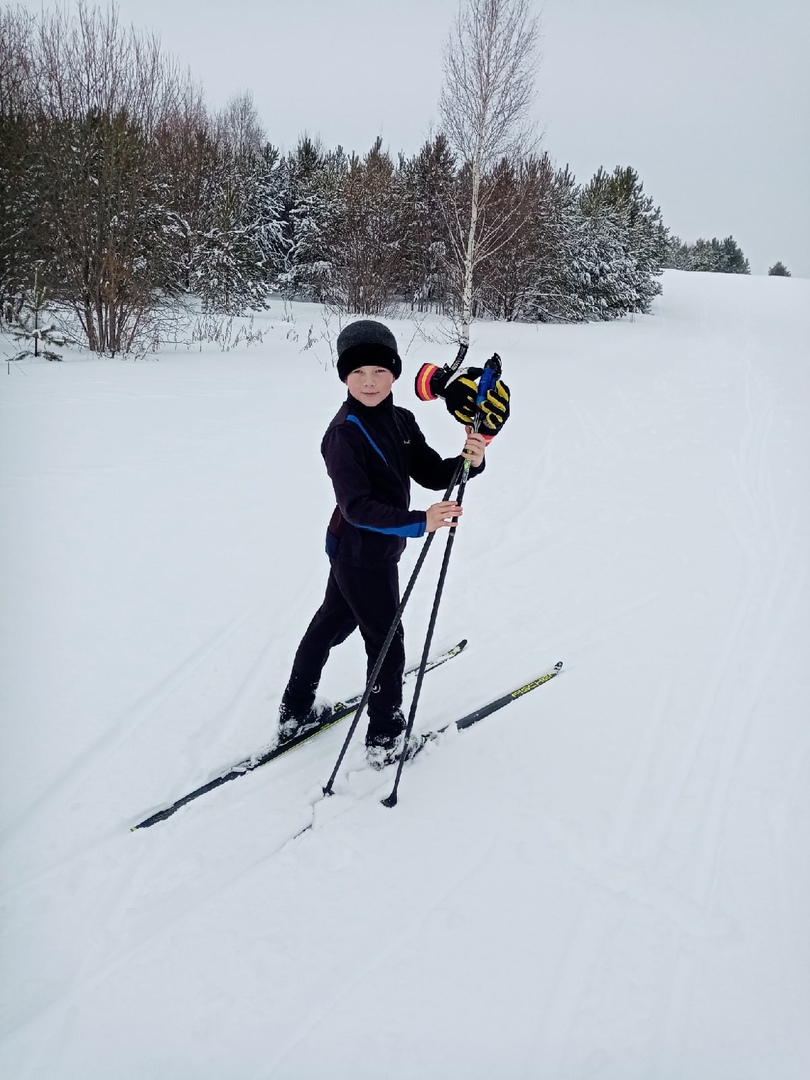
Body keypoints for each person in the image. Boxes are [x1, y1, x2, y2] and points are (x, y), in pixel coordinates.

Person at [277, 319, 509, 769]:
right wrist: (419, 520)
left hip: (372, 549)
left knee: (331, 623)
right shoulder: (344, 433)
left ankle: (294, 711)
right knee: (386, 640)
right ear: (344, 376)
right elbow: (356, 507)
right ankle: (384, 737)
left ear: (395, 373)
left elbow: (429, 473)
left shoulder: (401, 419)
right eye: (358, 372)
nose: (369, 381)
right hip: (360, 551)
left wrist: (470, 460)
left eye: (380, 372)